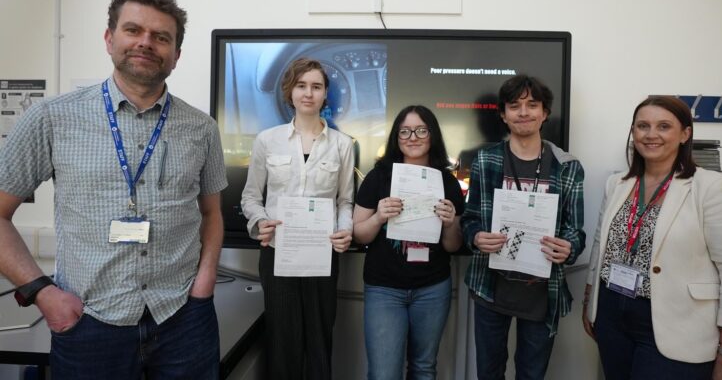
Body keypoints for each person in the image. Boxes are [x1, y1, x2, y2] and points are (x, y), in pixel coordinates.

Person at [0, 0, 227, 379]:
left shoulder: (201, 128)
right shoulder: (52, 119)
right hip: (89, 321)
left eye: (161, 37)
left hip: (183, 319)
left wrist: (203, 286)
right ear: (109, 39)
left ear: (176, 54)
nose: (146, 43)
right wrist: (42, 292)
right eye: (133, 30)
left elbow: (211, 213)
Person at [582, 96, 722, 380]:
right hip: (612, 315)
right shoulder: (618, 184)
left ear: (685, 134)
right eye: (643, 126)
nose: (651, 134)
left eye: (663, 126)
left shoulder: (713, 188)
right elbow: (599, 246)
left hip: (677, 324)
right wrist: (590, 302)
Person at [462, 74, 586, 380]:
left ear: (545, 113)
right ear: (503, 115)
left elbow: (576, 231)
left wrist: (568, 247)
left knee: (532, 374)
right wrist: (476, 236)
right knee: (488, 373)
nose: (524, 112)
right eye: (515, 105)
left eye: (532, 104)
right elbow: (470, 218)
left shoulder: (567, 166)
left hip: (542, 292)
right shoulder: (486, 160)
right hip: (491, 287)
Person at [240, 57, 354, 380]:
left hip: (323, 256)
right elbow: (250, 196)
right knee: (282, 344)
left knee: (320, 344)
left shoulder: (343, 146)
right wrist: (259, 221)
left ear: (325, 94)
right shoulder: (267, 140)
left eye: (316, 86)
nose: (308, 93)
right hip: (278, 254)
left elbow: (345, 201)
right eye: (301, 86)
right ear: (289, 92)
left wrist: (345, 230)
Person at [353, 105, 465, 380]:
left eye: (420, 130)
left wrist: (450, 223)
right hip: (384, 288)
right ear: (396, 137)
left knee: (424, 368)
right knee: (383, 373)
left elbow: (453, 246)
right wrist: (379, 217)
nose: (412, 137)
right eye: (404, 131)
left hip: (432, 287)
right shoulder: (378, 176)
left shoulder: (448, 182)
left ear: (432, 135)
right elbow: (359, 234)